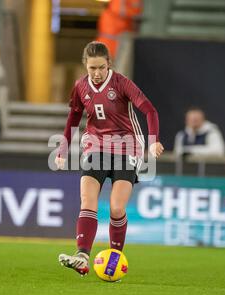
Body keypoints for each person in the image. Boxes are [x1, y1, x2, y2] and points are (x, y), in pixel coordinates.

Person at [55, 41, 164, 275]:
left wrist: (153, 140)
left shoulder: (122, 83)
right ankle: (82, 256)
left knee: (116, 208)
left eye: (101, 68)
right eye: (91, 68)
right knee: (87, 200)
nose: (96, 73)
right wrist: (63, 149)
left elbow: (150, 110)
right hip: (95, 146)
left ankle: (115, 258)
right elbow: (74, 117)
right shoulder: (80, 86)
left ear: (109, 65)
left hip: (126, 148)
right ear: (85, 65)